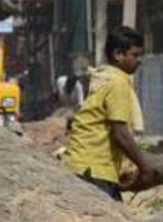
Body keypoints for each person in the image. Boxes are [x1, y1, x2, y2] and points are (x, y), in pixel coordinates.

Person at [63, 27, 153, 201]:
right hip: (94, 171)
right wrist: (145, 168)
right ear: (118, 54)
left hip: (78, 165)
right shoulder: (117, 83)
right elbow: (120, 133)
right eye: (135, 55)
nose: (139, 60)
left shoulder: (102, 77)